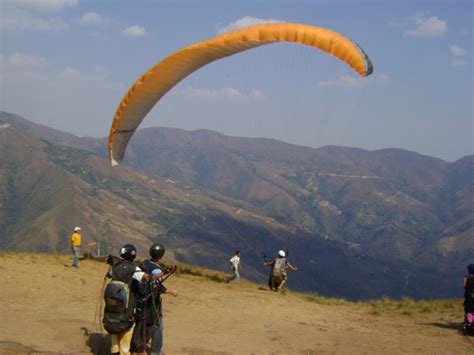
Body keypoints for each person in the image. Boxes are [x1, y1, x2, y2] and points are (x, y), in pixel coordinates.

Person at [104, 244, 171, 355]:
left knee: (114, 328)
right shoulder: (133, 269)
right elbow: (148, 277)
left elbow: (109, 275)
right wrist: (165, 272)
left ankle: (114, 350)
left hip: (112, 305)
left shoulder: (115, 267)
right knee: (127, 330)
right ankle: (124, 352)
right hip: (127, 305)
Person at [131, 243, 178, 355]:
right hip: (152, 303)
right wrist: (171, 291)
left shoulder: (143, 263)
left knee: (143, 324)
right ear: (161, 255)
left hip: (140, 301)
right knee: (157, 326)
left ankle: (140, 345)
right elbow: (156, 286)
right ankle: (155, 351)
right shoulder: (156, 270)